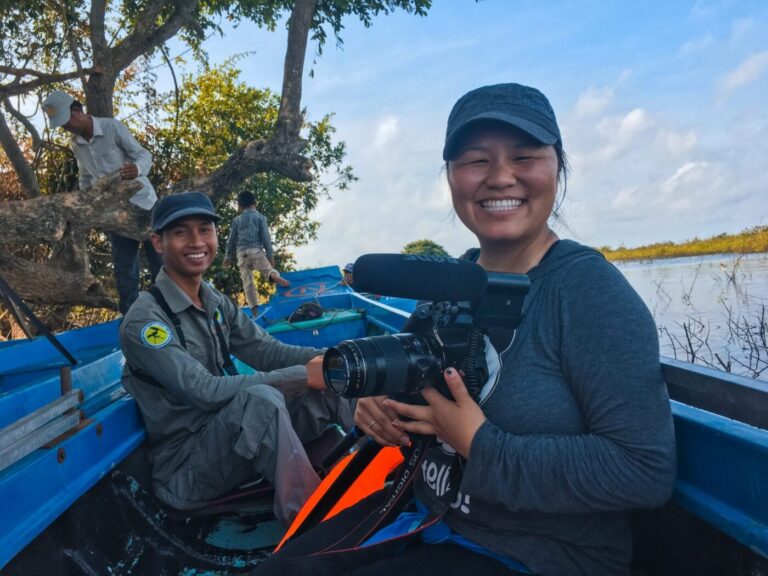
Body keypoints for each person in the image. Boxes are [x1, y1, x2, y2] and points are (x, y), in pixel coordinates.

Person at [255, 83, 676, 575]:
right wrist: (376, 407)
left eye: (524, 156)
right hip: (427, 518)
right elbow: (403, 382)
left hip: (535, 555)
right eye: (477, 161)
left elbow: (644, 471)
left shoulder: (586, 291)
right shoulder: (450, 281)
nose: (500, 178)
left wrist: (482, 445)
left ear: (557, 166)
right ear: (451, 177)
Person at [119, 191, 353, 526]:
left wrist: (332, 359)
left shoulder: (213, 299)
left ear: (216, 235)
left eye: (205, 229)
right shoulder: (145, 321)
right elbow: (203, 390)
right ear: (158, 243)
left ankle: (386, 464)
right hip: (186, 471)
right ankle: (313, 527)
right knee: (261, 400)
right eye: (181, 232)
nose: (196, 241)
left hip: (234, 445)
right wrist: (303, 375)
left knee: (337, 377)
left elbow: (268, 351)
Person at [42, 90, 162, 314]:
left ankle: (175, 315)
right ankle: (132, 322)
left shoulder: (112, 128)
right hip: (114, 214)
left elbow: (143, 154)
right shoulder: (76, 144)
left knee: (161, 264)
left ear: (77, 110)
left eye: (66, 122)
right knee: (125, 271)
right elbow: (85, 177)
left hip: (144, 205)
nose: (65, 128)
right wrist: (88, 204)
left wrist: (137, 169)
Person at [223, 190, 290, 315]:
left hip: (241, 254)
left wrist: (228, 256)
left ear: (239, 206)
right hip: (256, 251)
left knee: (247, 281)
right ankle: (274, 276)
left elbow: (231, 240)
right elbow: (266, 238)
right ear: (255, 203)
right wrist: (270, 256)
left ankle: (254, 309)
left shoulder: (236, 220)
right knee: (267, 270)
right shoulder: (260, 218)